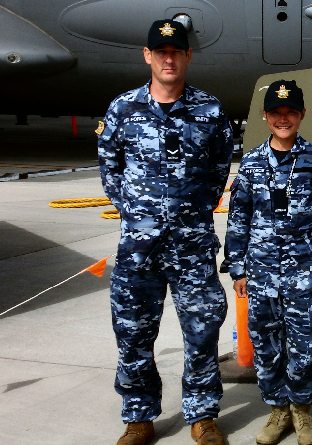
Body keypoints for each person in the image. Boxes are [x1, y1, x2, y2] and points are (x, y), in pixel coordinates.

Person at [97, 20, 233, 445]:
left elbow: (218, 170)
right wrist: (138, 213)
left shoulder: (210, 111)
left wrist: (191, 212)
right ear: (148, 55)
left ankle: (202, 415)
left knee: (202, 330)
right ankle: (139, 417)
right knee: (133, 331)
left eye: (176, 52)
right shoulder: (123, 109)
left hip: (192, 245)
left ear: (188, 56)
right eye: (161, 52)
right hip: (139, 248)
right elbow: (110, 169)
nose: (168, 59)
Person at [223, 79, 312, 445]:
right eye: (276, 112)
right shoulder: (251, 162)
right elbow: (238, 218)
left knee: (306, 343)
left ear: (302, 114)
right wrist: (238, 268)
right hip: (261, 273)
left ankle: (301, 411)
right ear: (265, 116)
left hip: (305, 271)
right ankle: (278, 411)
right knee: (266, 344)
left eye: (290, 112)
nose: (283, 119)